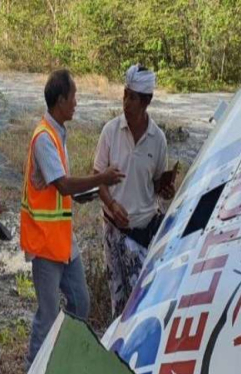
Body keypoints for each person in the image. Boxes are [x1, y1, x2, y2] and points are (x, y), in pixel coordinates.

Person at [21, 69, 124, 368]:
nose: (77, 102)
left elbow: (61, 189)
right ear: (61, 100)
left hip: (64, 241)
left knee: (81, 301)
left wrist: (90, 190)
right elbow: (62, 184)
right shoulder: (44, 138)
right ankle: (35, 366)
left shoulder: (57, 133)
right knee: (48, 314)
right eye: (74, 96)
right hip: (44, 242)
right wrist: (100, 177)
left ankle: (62, 359)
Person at [93, 64, 175, 317]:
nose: (126, 103)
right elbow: (98, 178)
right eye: (124, 95)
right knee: (118, 302)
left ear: (146, 101)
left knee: (141, 305)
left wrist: (166, 190)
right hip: (113, 231)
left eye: (133, 98)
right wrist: (112, 204)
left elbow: (157, 185)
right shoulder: (110, 131)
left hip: (142, 233)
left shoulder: (157, 139)